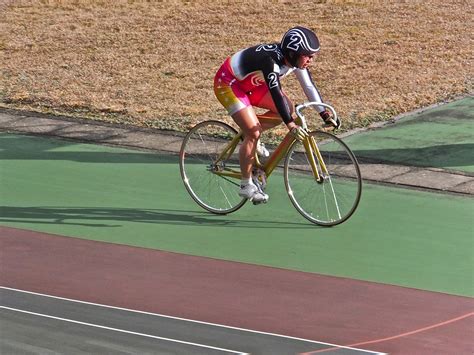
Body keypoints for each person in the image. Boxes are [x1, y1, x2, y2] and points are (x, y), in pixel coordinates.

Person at [214, 26, 340, 203]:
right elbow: (275, 92)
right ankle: (246, 185)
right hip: (228, 83)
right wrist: (290, 125)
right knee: (254, 131)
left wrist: (324, 113)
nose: (311, 60)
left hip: (252, 84)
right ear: (293, 53)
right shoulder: (271, 61)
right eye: (308, 55)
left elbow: (309, 87)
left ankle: (250, 136)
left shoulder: (295, 62)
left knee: (286, 109)